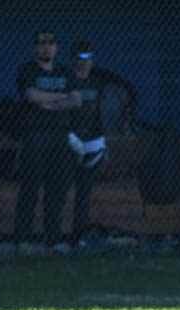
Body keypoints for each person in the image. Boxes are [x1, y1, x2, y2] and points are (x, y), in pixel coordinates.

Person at [13, 31, 80, 254]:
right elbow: (32, 96)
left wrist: (48, 103)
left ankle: (53, 239)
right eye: (41, 44)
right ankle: (23, 240)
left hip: (61, 137)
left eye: (50, 44)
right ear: (35, 48)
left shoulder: (65, 72)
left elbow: (76, 100)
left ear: (56, 48)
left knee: (56, 191)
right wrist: (61, 97)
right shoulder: (27, 70)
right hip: (36, 136)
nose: (46, 48)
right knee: (30, 189)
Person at [66, 40, 108, 249]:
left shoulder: (97, 84)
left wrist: (101, 141)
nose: (84, 62)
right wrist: (69, 136)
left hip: (91, 142)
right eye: (79, 58)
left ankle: (80, 234)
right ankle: (56, 235)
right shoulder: (68, 81)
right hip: (69, 140)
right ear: (73, 59)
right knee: (62, 186)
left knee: (84, 190)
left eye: (88, 58)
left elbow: (100, 114)